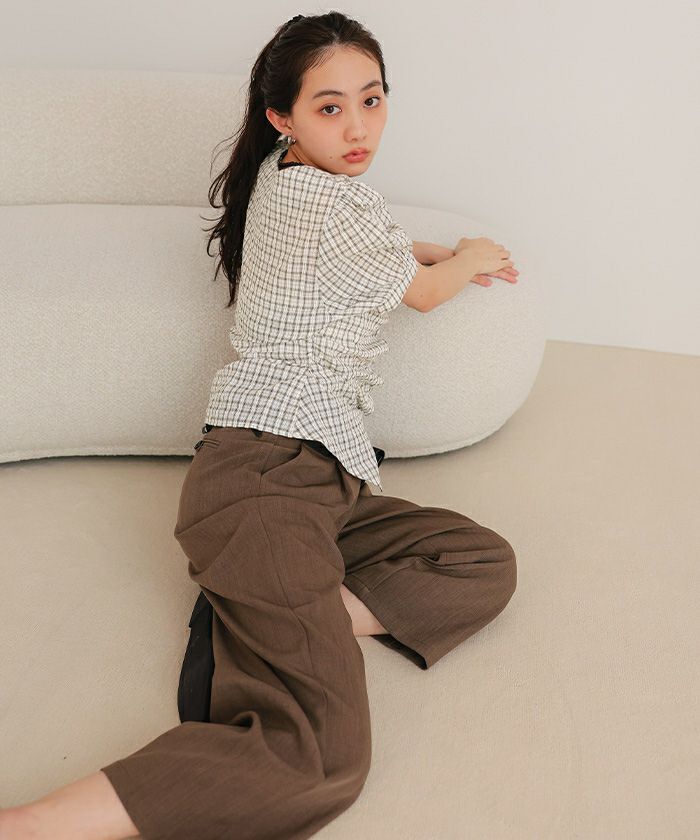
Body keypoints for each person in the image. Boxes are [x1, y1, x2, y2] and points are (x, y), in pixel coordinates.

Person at [0, 12, 519, 840]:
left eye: (372, 100)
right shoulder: (334, 202)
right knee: (320, 759)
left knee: (480, 560)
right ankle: (30, 824)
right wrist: (471, 257)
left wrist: (428, 249)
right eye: (330, 108)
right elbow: (422, 294)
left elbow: (379, 245)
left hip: (315, 485)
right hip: (264, 482)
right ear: (283, 116)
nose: (358, 128)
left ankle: (258, 616)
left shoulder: (287, 178)